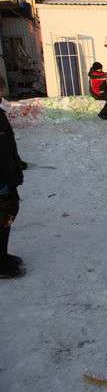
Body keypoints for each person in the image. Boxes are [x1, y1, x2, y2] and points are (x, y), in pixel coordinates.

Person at [0, 87, 25, 279]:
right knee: (3, 214)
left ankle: (2, 255)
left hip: (7, 173)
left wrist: (17, 165)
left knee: (9, 211)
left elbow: (8, 145)